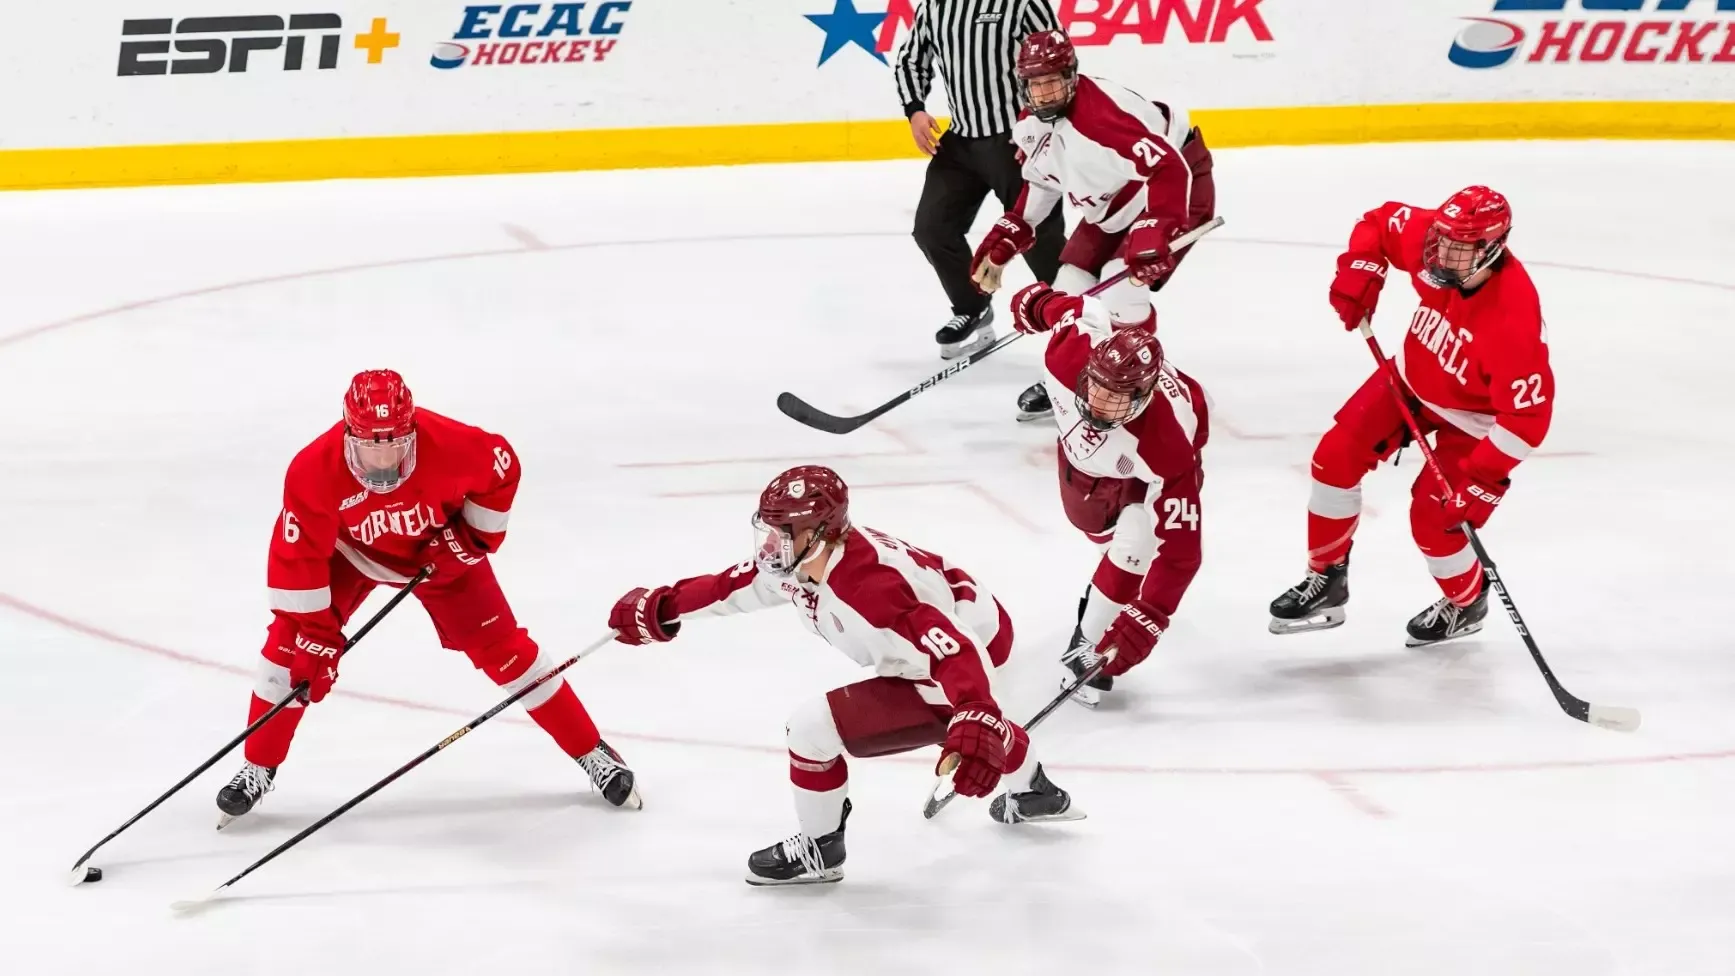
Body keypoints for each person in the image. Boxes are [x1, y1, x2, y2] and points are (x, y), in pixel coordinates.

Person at [607, 465, 1082, 886]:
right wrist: (664, 606)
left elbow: (953, 649)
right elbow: (731, 585)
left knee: (811, 731)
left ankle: (821, 849)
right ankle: (1037, 790)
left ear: (822, 533)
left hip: (965, 652)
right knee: (962, 730)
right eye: (769, 530)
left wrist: (976, 709)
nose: (772, 546)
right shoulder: (803, 557)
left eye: (784, 533)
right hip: (963, 623)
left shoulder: (867, 588)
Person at [215, 369, 639, 826]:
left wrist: (468, 540)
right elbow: (296, 559)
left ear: (413, 431)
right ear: (347, 434)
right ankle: (258, 765)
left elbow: (503, 467)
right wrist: (317, 636)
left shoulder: (454, 445)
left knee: (508, 653)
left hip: (438, 557)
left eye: (395, 446)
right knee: (288, 647)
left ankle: (593, 751)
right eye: (370, 448)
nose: (383, 462)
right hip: (350, 553)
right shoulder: (311, 470)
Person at [1268, 186, 1553, 647]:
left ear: (1492, 248)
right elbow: (1379, 222)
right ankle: (1327, 579)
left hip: (1474, 419)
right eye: (1441, 239)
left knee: (1434, 524)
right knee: (1332, 458)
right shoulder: (1437, 241)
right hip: (1414, 378)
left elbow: (1528, 419)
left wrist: (1483, 479)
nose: (1440, 255)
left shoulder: (1512, 320)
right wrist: (1363, 270)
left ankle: (1467, 602)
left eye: (1458, 249)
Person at [971, 28, 1217, 423]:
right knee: (1070, 288)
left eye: (1053, 82)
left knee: (1122, 287)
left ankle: (1134, 386)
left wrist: (1154, 232)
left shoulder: (1102, 119)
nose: (1045, 94)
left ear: (1071, 77)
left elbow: (1169, 167)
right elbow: (1041, 183)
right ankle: (1077, 382)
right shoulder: (1032, 125)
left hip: (1176, 188)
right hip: (1116, 197)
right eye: (1036, 85)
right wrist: (1005, 241)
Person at [1004, 281, 1210, 706]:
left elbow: (1182, 554)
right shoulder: (1068, 352)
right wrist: (1032, 303)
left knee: (1139, 539)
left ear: (1143, 396)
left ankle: (1085, 642)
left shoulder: (1168, 445)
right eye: (1096, 386)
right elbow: (1077, 307)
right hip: (1081, 472)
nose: (1098, 404)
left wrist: (1150, 617)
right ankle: (1113, 581)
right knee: (1101, 536)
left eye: (1117, 399)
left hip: (1137, 473)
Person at [895, 0, 1065, 361]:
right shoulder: (936, 7)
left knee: (1041, 240)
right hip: (961, 142)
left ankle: (1077, 333)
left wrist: (1041, 126)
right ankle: (972, 307)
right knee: (932, 228)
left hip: (1019, 141)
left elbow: (1058, 59)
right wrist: (915, 109)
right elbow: (912, 59)